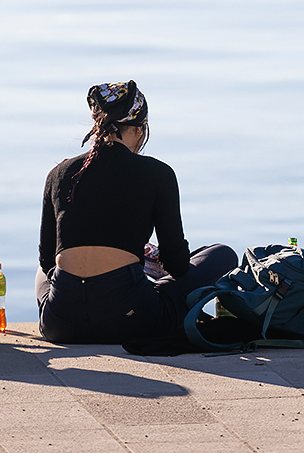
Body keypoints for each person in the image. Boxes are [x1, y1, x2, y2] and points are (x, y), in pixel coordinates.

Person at [36, 80, 236, 344]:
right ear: (140, 129)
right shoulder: (158, 173)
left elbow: (47, 262)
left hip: (61, 324)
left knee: (41, 274)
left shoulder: (58, 173)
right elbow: (176, 264)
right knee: (222, 254)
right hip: (131, 321)